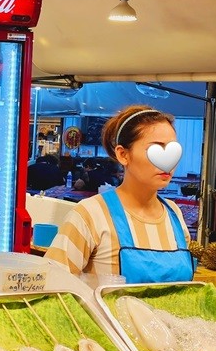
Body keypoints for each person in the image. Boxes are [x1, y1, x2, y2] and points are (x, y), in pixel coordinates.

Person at [45, 104, 195, 287]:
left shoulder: (174, 215)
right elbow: (51, 285)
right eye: (156, 149)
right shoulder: (90, 214)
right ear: (123, 155)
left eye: (172, 150)